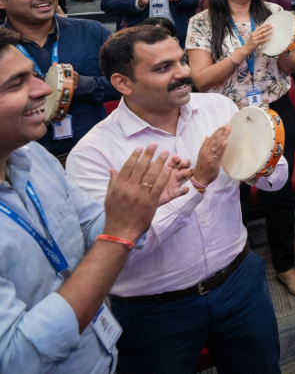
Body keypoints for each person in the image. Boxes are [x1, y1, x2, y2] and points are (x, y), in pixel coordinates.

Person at [66, 25, 285, 373]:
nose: (183, 72)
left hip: (239, 283)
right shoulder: (93, 155)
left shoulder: (216, 107)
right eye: (163, 67)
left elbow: (276, 181)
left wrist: (263, 163)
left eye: (182, 60)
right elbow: (121, 249)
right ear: (123, 83)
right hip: (153, 311)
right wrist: (198, 184)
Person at [0, 27, 186, 374]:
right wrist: (120, 233)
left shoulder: (34, 158)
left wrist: (138, 207)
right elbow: (15, 358)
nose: (44, 89)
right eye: (16, 83)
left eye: (34, 76)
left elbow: (87, 228)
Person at [185, 0, 295, 297]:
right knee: (231, 190)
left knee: (278, 189)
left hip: (276, 109)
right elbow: (201, 80)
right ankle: (238, 262)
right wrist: (245, 49)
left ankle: (285, 264)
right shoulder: (202, 23)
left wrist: (285, 49)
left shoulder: (274, 13)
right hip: (227, 114)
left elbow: (292, 68)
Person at [0, 0, 117, 157]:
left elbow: (129, 84)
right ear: (2, 0)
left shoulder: (92, 32)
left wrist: (84, 85)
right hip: (24, 159)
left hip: (95, 153)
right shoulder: (3, 46)